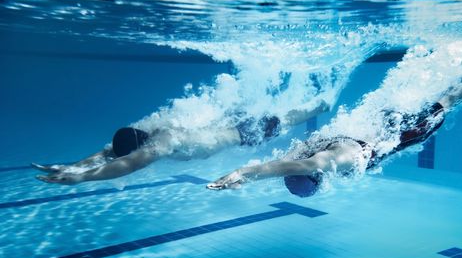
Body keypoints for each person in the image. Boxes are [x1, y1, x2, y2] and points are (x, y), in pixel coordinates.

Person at [207, 70, 462, 196]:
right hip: (388, 126)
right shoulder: (311, 154)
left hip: (407, 132)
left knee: (449, 100)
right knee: (434, 98)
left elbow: (304, 165)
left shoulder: (334, 161)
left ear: (317, 178)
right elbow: (287, 166)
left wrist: (244, 172)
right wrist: (249, 178)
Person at [32, 100, 330, 185]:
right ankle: (316, 103)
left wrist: (80, 180)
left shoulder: (163, 143)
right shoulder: (148, 129)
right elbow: (110, 151)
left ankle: (322, 105)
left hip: (244, 131)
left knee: (288, 117)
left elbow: (126, 164)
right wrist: (71, 166)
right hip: (232, 119)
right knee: (278, 111)